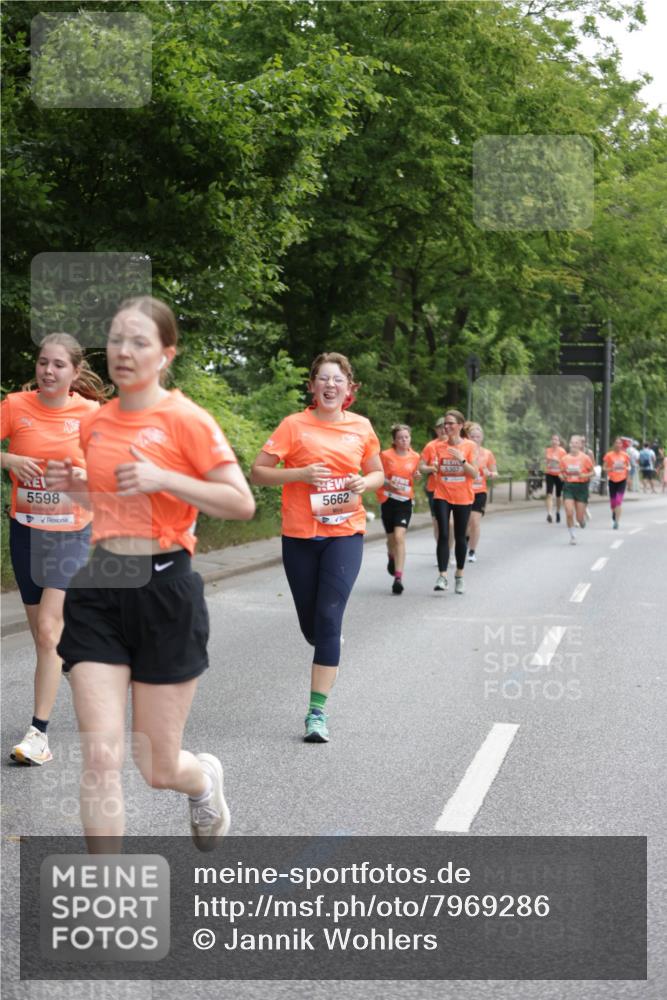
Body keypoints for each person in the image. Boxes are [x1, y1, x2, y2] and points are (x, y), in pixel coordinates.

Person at [46, 297, 255, 851]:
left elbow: (240, 503)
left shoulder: (187, 420)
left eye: (139, 341)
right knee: (100, 753)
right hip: (100, 586)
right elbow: (111, 499)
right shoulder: (95, 424)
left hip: (166, 590)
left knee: (157, 767)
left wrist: (166, 476)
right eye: (116, 339)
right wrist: (77, 490)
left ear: (166, 354)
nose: (124, 351)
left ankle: (203, 778)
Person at [250, 352, 383, 743]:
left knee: (328, 619)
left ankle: (316, 712)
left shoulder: (361, 427)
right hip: (299, 535)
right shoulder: (294, 425)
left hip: (345, 532)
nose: (330, 385)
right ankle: (326, 638)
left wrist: (365, 484)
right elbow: (258, 472)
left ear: (349, 388)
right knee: (312, 625)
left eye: (337, 380)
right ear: (312, 386)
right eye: (323, 379)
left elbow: (377, 471)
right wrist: (301, 473)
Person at [1, 333, 109, 766]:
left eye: (58, 365)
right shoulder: (15, 406)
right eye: (43, 362)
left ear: (75, 372)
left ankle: (38, 736)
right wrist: (7, 461)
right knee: (44, 638)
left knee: (48, 630)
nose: (48, 371)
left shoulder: (92, 414)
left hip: (71, 531)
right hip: (26, 529)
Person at [421, 409, 478, 594]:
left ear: (460, 426)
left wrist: (461, 460)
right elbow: (424, 467)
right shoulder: (437, 446)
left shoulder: (469, 446)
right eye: (445, 423)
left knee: (461, 536)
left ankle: (459, 575)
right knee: (444, 534)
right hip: (442, 494)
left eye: (451, 423)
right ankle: (443, 575)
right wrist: (432, 468)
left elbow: (475, 473)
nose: (446, 427)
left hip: (463, 496)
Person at [377, 424, 421, 594]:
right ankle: (391, 556)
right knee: (391, 540)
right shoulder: (386, 455)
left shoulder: (415, 457)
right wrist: (389, 484)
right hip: (388, 500)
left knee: (399, 536)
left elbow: (414, 476)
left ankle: (398, 578)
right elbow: (378, 475)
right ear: (394, 441)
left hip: (404, 502)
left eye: (407, 437)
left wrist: (416, 476)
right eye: (400, 438)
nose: (404, 440)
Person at [465, 422, 497, 562]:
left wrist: (489, 473)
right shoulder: (463, 452)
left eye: (477, 436)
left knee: (475, 521)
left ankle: (472, 551)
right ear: (468, 437)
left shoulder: (487, 453)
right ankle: (466, 539)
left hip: (480, 491)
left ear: (481, 438)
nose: (475, 439)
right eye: (472, 436)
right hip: (464, 491)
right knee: (465, 523)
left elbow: (495, 472)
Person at [559, 435, 595, 544]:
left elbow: (593, 472)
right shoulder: (564, 458)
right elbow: (561, 472)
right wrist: (561, 476)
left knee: (579, 518)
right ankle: (572, 535)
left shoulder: (585, 458)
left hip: (581, 487)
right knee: (569, 512)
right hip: (569, 486)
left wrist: (584, 475)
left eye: (576, 443)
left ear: (580, 445)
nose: (574, 444)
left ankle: (581, 521)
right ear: (569, 444)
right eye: (572, 442)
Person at [420, 417, 447, 544]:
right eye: (440, 427)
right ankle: (441, 551)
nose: (443, 430)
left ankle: (450, 551)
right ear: (436, 430)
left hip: (453, 489)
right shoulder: (430, 446)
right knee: (437, 523)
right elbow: (421, 467)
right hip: (434, 490)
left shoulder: (456, 445)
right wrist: (432, 468)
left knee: (451, 523)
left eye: (445, 427)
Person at [602, 437, 631, 529]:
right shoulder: (609, 455)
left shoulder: (625, 455)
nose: (618, 445)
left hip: (622, 479)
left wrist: (628, 475)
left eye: (620, 443)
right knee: (613, 503)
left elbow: (628, 466)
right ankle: (614, 512)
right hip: (612, 480)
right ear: (614, 444)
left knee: (618, 501)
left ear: (622, 445)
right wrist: (610, 469)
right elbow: (604, 467)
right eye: (616, 443)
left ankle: (617, 522)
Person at [544, 433, 566, 523]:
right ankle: (549, 513)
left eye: (556, 440)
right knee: (549, 494)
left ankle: (557, 511)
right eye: (553, 439)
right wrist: (548, 462)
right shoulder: (548, 450)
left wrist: (557, 461)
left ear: (559, 442)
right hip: (549, 473)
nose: (554, 441)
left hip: (559, 475)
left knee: (558, 496)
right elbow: (545, 461)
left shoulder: (562, 451)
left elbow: (565, 463)